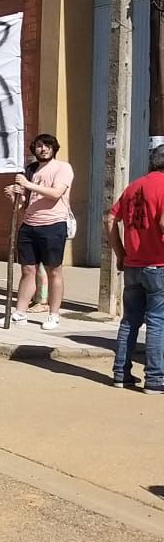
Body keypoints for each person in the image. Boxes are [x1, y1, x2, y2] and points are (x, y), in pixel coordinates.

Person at [108, 145, 164, 391]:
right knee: (157, 322)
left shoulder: (133, 186)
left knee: (130, 320)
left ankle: (121, 373)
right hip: (158, 264)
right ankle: (155, 377)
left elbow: (110, 218)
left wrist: (120, 253)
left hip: (133, 264)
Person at [6, 133, 74, 329]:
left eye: (47, 146)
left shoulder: (63, 168)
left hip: (53, 224)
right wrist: (15, 196)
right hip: (29, 225)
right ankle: (20, 312)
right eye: (38, 146)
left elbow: (55, 193)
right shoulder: (30, 171)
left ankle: (53, 314)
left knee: (54, 271)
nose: (42, 149)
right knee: (27, 270)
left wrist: (28, 184)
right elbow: (24, 205)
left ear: (54, 148)